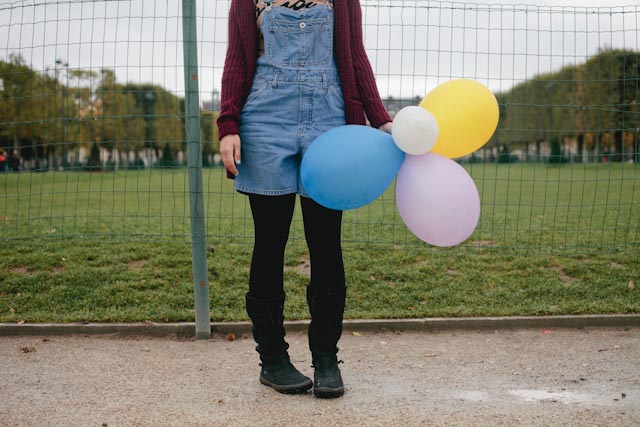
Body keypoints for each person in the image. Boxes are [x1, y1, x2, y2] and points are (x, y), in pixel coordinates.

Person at [217, 0, 392, 398]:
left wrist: (380, 118)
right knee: (270, 241)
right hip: (264, 120)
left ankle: (326, 359)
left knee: (326, 242)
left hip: (329, 120)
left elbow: (356, 57)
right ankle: (273, 359)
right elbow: (236, 60)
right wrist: (228, 123)